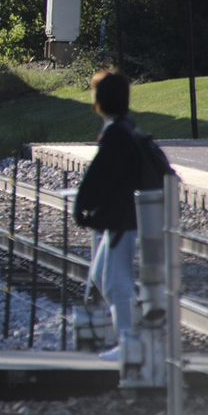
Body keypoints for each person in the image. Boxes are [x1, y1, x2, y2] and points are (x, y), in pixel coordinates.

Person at [72, 69, 142, 362]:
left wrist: (83, 206)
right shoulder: (124, 129)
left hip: (123, 219)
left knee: (115, 281)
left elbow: (98, 177)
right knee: (104, 275)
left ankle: (131, 343)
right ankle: (132, 336)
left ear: (99, 100)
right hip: (122, 217)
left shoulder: (115, 135)